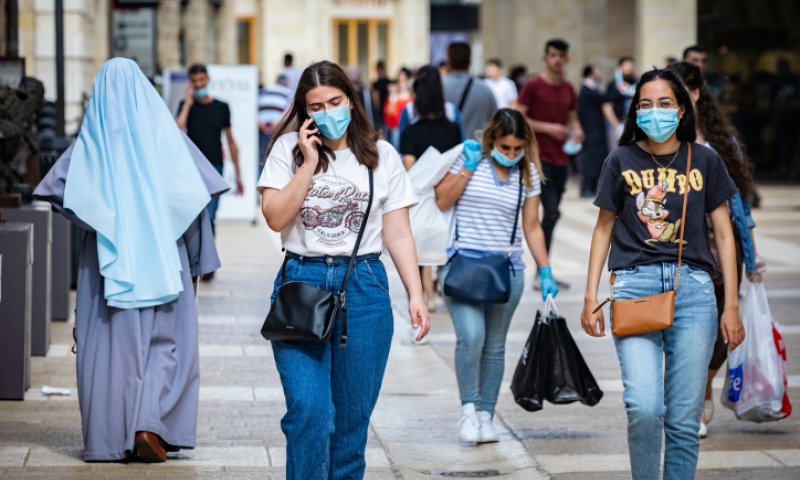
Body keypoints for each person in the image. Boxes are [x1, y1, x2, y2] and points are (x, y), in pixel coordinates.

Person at [33, 58, 228, 463]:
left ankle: (108, 439)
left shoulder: (91, 144)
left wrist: (99, 215)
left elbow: (56, 191)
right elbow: (196, 197)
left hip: (108, 260)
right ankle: (149, 426)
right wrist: (198, 260)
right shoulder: (168, 138)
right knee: (166, 343)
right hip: (166, 256)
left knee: (110, 348)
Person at [257, 60, 430, 480]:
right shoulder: (287, 150)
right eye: (316, 106)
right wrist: (307, 164)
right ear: (304, 111)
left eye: (335, 101)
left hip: (363, 286)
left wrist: (416, 293)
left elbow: (398, 233)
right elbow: (275, 218)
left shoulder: (382, 155)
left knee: (351, 426)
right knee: (309, 411)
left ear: (351, 101)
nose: (327, 112)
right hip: (303, 283)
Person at [580, 68, 745, 479]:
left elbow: (725, 235)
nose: (655, 112)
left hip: (694, 291)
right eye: (646, 104)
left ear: (682, 109)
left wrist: (732, 305)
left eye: (665, 103)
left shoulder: (704, 159)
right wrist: (590, 296)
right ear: (636, 111)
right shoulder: (620, 160)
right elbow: (603, 228)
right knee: (644, 407)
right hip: (633, 286)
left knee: (684, 420)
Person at [435, 108, 557, 445]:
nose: (511, 154)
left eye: (518, 149)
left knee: (495, 346)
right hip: (462, 266)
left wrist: (545, 269)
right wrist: (469, 166)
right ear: (492, 140)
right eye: (505, 148)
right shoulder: (469, 159)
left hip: (507, 270)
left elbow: (532, 225)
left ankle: (486, 415)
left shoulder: (527, 173)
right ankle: (469, 411)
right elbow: (442, 200)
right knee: (471, 337)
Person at [667, 61, 766, 438]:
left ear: (695, 93)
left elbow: (741, 200)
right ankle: (689, 400)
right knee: (683, 323)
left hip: (721, 243)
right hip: (678, 245)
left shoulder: (720, 142)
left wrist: (752, 251)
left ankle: (703, 387)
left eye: (680, 91)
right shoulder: (661, 140)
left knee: (724, 326)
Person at [513, 38, 583, 288]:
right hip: (537, 159)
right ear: (545, 57)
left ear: (567, 59)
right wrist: (548, 128)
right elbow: (518, 115)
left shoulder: (568, 88)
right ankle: (542, 271)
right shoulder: (533, 85)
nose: (557, 60)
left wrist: (577, 130)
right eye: (553, 55)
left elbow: (572, 117)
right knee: (550, 211)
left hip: (561, 158)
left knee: (552, 215)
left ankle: (543, 269)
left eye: (561, 56)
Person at [400, 65, 463, 311]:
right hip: (449, 193)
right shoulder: (453, 124)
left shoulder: (410, 128)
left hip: (421, 195)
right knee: (446, 241)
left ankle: (423, 296)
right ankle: (442, 287)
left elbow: (409, 165)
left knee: (419, 244)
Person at [177, 63, 244, 252]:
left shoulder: (221, 107)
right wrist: (187, 103)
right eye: (194, 81)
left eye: (201, 79)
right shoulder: (185, 106)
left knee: (210, 215)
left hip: (214, 167)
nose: (199, 84)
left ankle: (206, 259)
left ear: (208, 79)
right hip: (191, 168)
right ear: (189, 83)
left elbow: (231, 142)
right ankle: (194, 257)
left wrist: (238, 175)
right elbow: (176, 130)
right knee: (192, 215)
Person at [577, 64, 618, 197]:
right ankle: (587, 187)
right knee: (590, 159)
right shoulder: (587, 90)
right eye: (597, 70)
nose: (600, 72)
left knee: (597, 158)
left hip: (596, 129)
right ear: (590, 73)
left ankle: (594, 186)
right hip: (590, 130)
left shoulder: (591, 89)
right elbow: (606, 99)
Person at [442, 42, 498, 139]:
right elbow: (495, 121)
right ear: (469, 62)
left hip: (445, 147)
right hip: (476, 146)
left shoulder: (437, 88)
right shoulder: (485, 90)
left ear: (448, 61)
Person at [258, 75, 292, 174]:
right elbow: (289, 109)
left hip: (262, 128)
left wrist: (261, 123)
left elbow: (254, 106)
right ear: (286, 84)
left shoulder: (264, 91)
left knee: (262, 156)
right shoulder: (288, 92)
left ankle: (262, 178)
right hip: (277, 129)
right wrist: (276, 123)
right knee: (277, 155)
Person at [383, 67, 413, 148]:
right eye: (400, 78)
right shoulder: (394, 94)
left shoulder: (412, 94)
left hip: (408, 127)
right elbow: (390, 112)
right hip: (396, 127)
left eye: (404, 79)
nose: (401, 82)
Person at [606, 56, 638, 125]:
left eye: (631, 66)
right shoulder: (613, 85)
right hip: (619, 123)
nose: (630, 68)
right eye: (627, 66)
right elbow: (607, 106)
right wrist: (616, 125)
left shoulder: (635, 83)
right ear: (620, 67)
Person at [371, 59, 391, 135]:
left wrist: (377, 110)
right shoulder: (389, 81)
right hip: (387, 110)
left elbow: (376, 99)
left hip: (383, 111)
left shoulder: (376, 83)